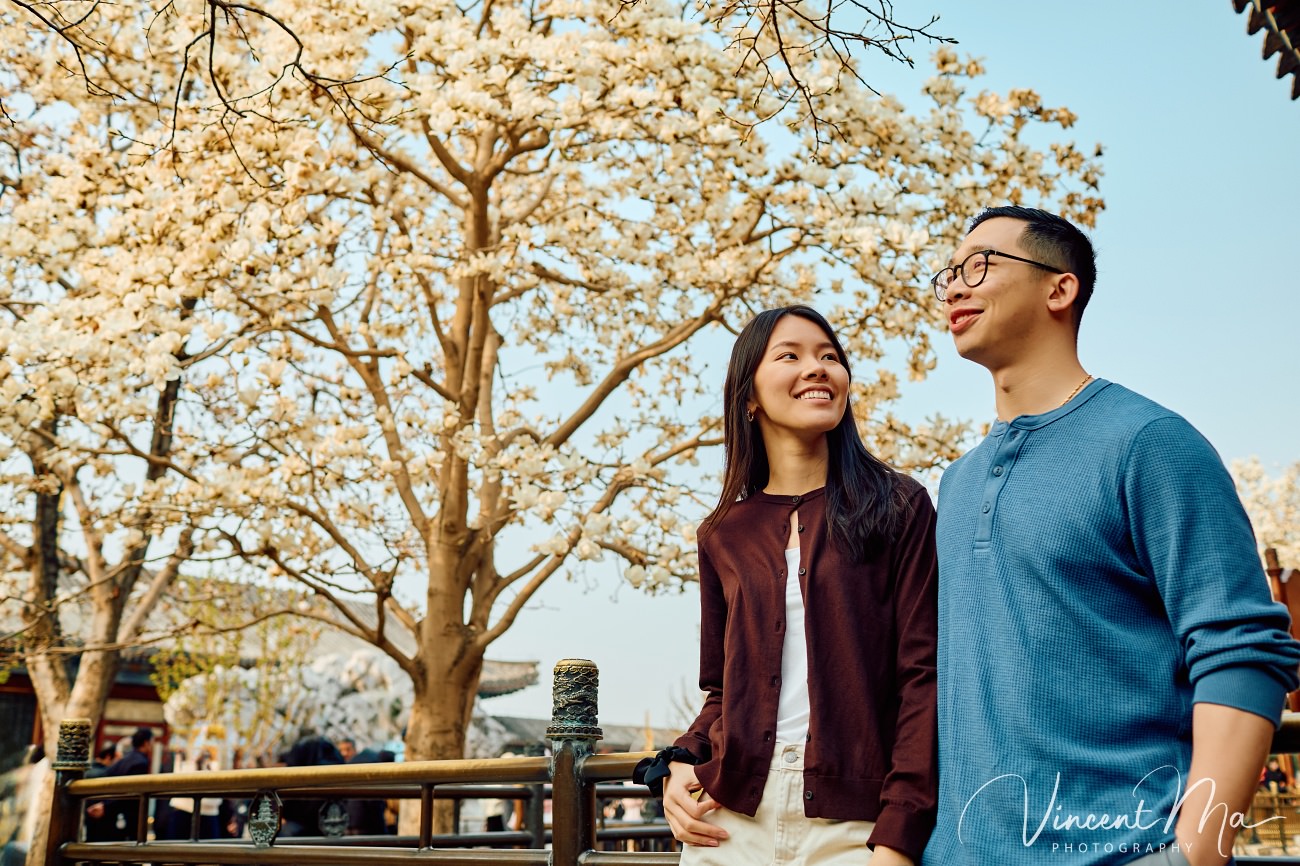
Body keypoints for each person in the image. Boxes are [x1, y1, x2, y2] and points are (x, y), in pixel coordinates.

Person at [922, 206, 1300, 866]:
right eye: (948, 272)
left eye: (980, 264)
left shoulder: (1151, 445)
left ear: (1059, 289)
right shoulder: (954, 486)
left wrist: (1198, 851)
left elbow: (1244, 649)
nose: (956, 285)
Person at [636, 305, 938, 865]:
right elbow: (722, 693)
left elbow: (924, 678)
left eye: (830, 357)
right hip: (727, 822)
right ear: (749, 396)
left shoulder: (900, 505)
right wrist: (675, 765)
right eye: (790, 356)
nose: (817, 368)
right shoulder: (722, 533)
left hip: (853, 825)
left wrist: (900, 833)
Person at [86, 727, 155, 841]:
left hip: (110, 811)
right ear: (146, 743)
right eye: (151, 742)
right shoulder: (140, 762)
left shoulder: (126, 759)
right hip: (124, 814)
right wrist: (106, 806)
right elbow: (130, 791)